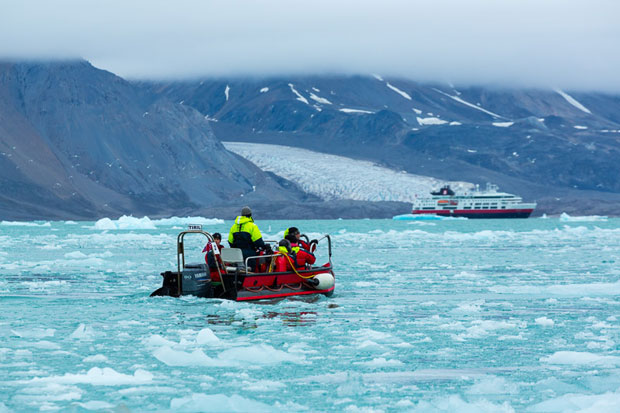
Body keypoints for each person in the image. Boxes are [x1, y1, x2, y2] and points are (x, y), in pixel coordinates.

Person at [228, 206, 266, 271]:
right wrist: (264, 247)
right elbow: (258, 242)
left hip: (237, 255)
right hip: (249, 254)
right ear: (250, 215)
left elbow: (230, 242)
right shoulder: (252, 226)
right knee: (252, 268)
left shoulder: (233, 227)